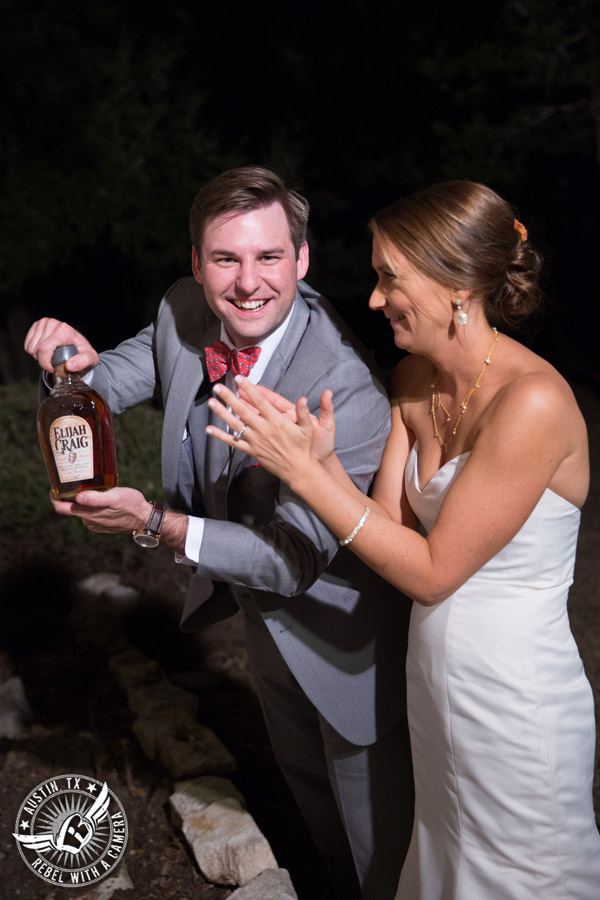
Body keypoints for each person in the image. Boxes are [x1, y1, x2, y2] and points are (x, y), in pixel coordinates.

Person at [24, 166, 414, 900]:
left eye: (270, 257)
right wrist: (66, 365)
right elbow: (104, 386)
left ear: (301, 260)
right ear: (196, 264)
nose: (247, 283)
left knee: (379, 854)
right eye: (226, 259)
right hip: (266, 629)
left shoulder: (348, 391)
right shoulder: (182, 310)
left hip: (350, 645)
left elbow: (293, 559)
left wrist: (155, 525)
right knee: (316, 824)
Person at [204, 180, 600, 898]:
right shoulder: (415, 381)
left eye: (391, 278)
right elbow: (382, 537)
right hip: (431, 689)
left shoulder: (534, 403)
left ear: (454, 284)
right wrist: (320, 461)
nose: (376, 299)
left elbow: (431, 572)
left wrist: (310, 479)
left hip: (514, 700)